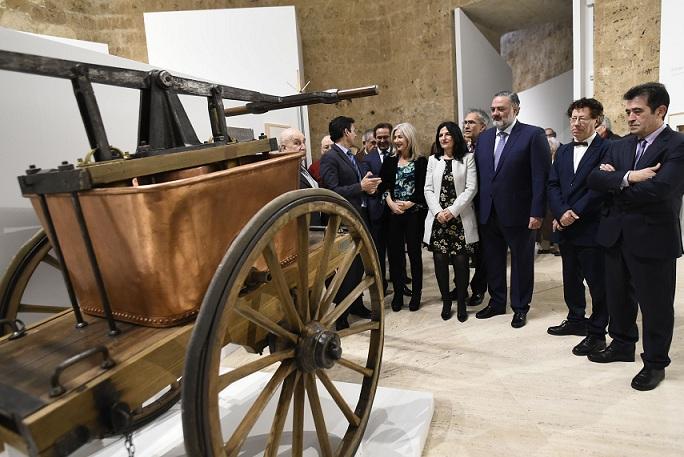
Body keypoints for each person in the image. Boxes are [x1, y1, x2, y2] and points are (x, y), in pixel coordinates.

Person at [587, 82, 684, 391]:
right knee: (618, 296)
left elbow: (663, 189)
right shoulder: (620, 145)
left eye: (638, 111)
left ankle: (655, 362)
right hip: (616, 234)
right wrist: (629, 177)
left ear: (660, 111)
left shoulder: (677, 144)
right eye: (627, 111)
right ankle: (622, 344)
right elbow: (594, 178)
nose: (630, 117)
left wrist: (615, 184)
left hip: (653, 237)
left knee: (655, 305)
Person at [474, 90, 550, 328]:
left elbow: (541, 177)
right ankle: (497, 303)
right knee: (493, 260)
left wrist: (537, 212)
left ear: (515, 109)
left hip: (520, 213)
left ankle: (520, 307)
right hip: (488, 212)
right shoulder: (484, 138)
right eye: (494, 109)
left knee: (521, 262)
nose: (496, 113)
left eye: (502, 109)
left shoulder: (532, 135)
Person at [547, 98, 608, 357]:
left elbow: (601, 188)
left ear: (597, 121)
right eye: (573, 118)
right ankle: (575, 319)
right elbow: (553, 185)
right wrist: (561, 212)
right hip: (565, 226)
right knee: (570, 278)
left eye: (582, 118)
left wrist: (576, 212)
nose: (576, 123)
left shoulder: (607, 149)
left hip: (591, 225)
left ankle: (597, 332)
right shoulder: (561, 151)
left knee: (597, 282)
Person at [320, 116, 381, 330]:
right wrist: (360, 187)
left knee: (358, 266)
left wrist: (369, 186)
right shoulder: (330, 158)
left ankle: (356, 305)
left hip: (359, 216)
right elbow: (331, 191)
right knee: (346, 268)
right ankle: (341, 313)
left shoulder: (351, 156)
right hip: (343, 221)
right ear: (346, 132)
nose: (356, 134)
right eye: (354, 130)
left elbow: (358, 184)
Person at [424, 121, 478, 321]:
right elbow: (427, 189)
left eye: (447, 134)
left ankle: (462, 300)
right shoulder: (433, 160)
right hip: (439, 219)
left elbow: (471, 189)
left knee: (461, 261)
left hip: (459, 218)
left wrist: (452, 211)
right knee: (439, 260)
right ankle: (446, 300)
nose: (443, 138)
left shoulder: (467, 159)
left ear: (455, 136)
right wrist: (438, 211)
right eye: (440, 135)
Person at [378, 122, 427, 312]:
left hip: (413, 214)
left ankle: (416, 294)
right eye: (395, 137)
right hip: (393, 214)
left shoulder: (421, 161)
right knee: (396, 256)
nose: (396, 140)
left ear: (409, 139)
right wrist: (389, 202)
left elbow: (424, 188)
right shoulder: (390, 160)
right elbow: (383, 185)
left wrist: (410, 203)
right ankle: (398, 293)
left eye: (400, 137)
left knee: (414, 255)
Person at [461, 109, 490, 306]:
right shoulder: (461, 148)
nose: (467, 126)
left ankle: (479, 288)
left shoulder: (488, 147)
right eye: (465, 122)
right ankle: (461, 285)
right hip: (463, 206)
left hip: (482, 206)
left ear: (483, 127)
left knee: (482, 252)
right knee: (461, 251)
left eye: (472, 122)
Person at [361, 122, 392, 293]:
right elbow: (370, 184)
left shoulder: (398, 154)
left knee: (396, 251)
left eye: (385, 137)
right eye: (378, 138)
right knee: (378, 251)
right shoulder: (368, 158)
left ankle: (400, 282)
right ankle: (381, 285)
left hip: (395, 210)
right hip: (377, 211)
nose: (382, 140)